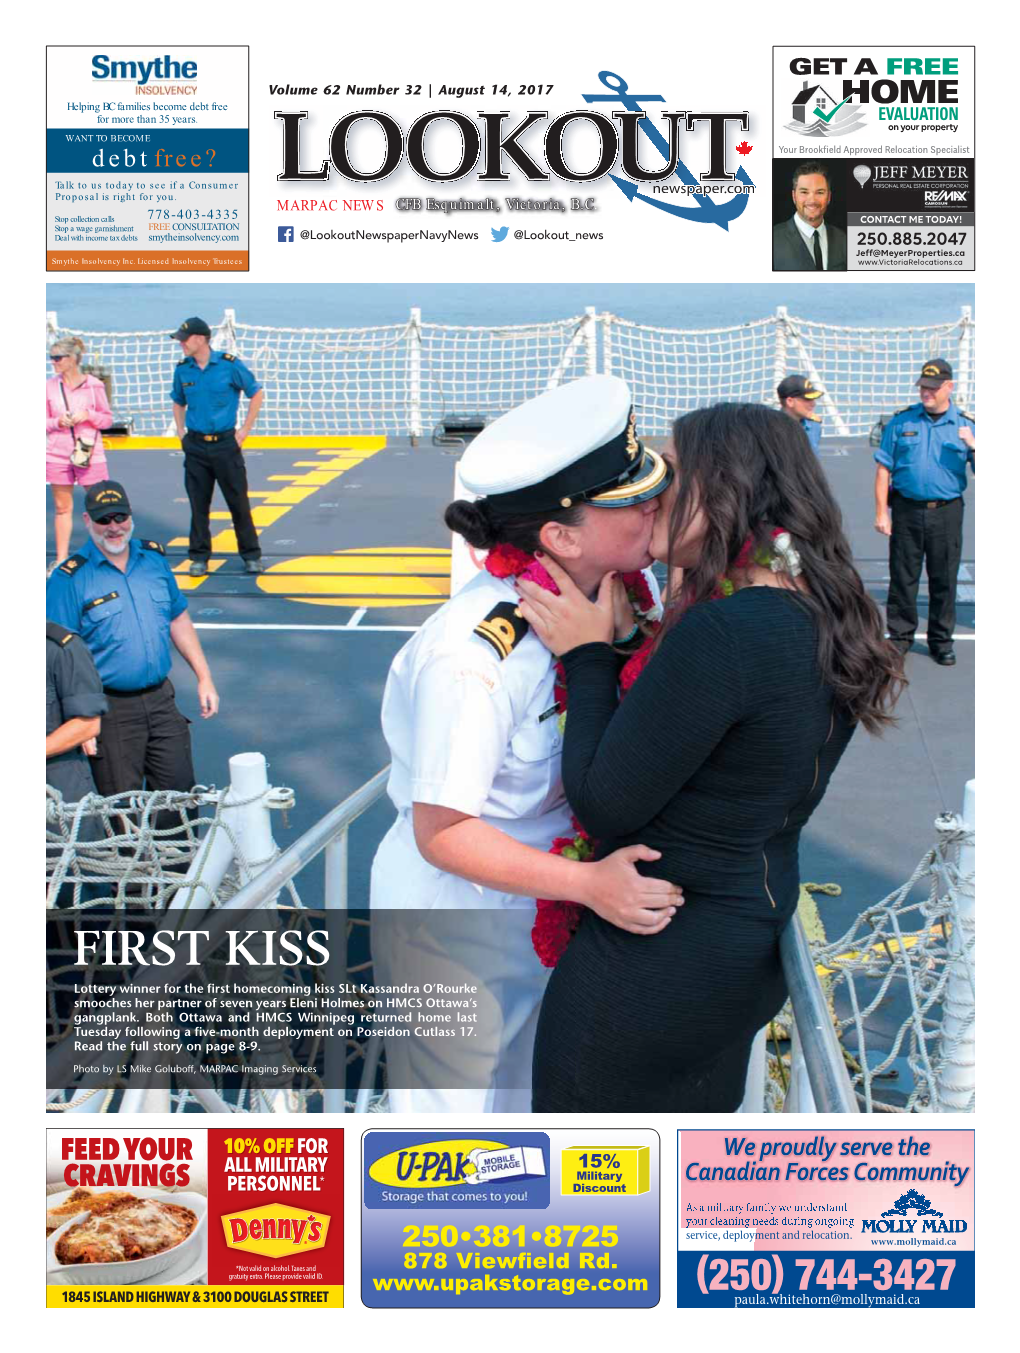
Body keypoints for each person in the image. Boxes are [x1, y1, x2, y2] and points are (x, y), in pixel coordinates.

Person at [516, 402, 903, 1112]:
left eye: (673, 472)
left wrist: (590, 655)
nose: (654, 491)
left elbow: (604, 800)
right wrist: (640, 644)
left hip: (654, 959)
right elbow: (720, 747)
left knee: (588, 1196)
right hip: (740, 941)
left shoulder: (726, 630)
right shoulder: (818, 608)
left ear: (728, 490)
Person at [369, 375, 682, 1112]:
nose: (651, 504)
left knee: (528, 1109)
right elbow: (441, 830)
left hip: (549, 900)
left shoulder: (623, 593)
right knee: (447, 1138)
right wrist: (592, 886)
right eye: (627, 498)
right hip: (457, 926)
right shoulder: (473, 658)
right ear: (561, 536)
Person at [45, 480, 219, 797]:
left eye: (119, 517)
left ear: (130, 517)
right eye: (103, 519)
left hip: (162, 701)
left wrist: (204, 677)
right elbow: (57, 655)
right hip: (108, 710)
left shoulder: (153, 561)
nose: (113, 527)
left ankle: (180, 850)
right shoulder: (68, 579)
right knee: (119, 809)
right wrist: (80, 718)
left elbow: (177, 617)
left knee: (178, 798)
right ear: (87, 521)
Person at [874, 358, 975, 667]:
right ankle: (901, 637)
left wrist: (976, 446)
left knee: (944, 577)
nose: (925, 392)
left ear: (949, 387)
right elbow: (883, 470)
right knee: (903, 577)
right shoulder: (902, 423)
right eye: (922, 387)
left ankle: (941, 641)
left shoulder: (967, 425)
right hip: (906, 509)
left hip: (946, 511)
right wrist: (882, 512)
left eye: (932, 388)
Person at [169, 317, 265, 576]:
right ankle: (199, 556)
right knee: (198, 505)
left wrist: (244, 430)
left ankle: (251, 555)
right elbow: (178, 401)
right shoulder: (183, 370)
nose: (181, 344)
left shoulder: (228, 365)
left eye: (184, 339)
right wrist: (181, 432)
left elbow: (255, 392)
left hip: (225, 444)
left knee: (238, 503)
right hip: (196, 446)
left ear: (200, 339)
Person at [47, 337, 115, 568]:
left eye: (58, 357)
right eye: (52, 357)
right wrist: (58, 421)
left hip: (89, 453)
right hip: (57, 454)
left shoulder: (94, 385)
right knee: (62, 508)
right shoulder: (48, 386)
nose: (53, 362)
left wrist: (88, 416)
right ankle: (61, 558)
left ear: (73, 359)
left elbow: (106, 420)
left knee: (100, 505)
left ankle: (103, 554)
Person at [772, 163, 847, 271]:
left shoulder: (843, 239)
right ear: (794, 196)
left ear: (829, 197)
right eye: (804, 192)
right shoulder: (772, 240)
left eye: (820, 192)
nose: (812, 201)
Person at [777, 374, 823, 455]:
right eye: (807, 399)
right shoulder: (771, 429)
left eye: (813, 399)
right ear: (790, 401)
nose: (813, 404)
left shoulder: (814, 426)